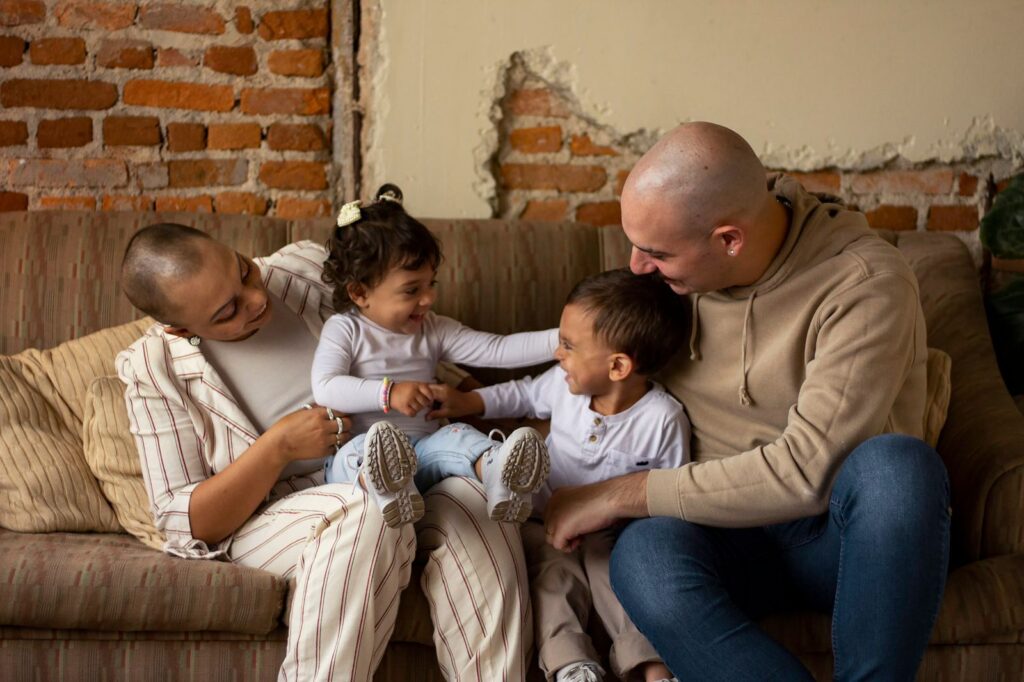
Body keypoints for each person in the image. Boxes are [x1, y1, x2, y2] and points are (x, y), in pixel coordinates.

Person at [542, 122, 951, 681]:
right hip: (721, 539)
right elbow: (585, 349)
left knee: (899, 469)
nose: (637, 268)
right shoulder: (672, 275)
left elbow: (811, 472)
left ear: (729, 239)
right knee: (643, 555)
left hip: (832, 538)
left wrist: (618, 493)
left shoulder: (864, 283)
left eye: (656, 252)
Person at [116, 218, 533, 680]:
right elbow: (185, 521)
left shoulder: (303, 268)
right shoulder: (153, 368)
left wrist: (512, 413)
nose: (257, 300)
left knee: (474, 499)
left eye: (243, 271)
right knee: (364, 507)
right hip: (280, 512)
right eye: (227, 312)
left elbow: (412, 346)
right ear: (180, 329)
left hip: (405, 457)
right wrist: (280, 446)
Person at [429, 268, 690, 682]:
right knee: (552, 579)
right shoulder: (563, 387)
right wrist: (467, 402)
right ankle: (572, 665)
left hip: (617, 534)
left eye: (568, 345)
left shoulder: (662, 419)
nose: (557, 354)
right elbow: (521, 393)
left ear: (618, 366)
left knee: (619, 581)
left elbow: (671, 495)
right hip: (544, 520)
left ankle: (654, 669)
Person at [312, 184, 554, 527]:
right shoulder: (345, 329)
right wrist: (389, 393)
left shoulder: (433, 328)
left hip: (424, 454)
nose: (428, 299)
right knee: (360, 450)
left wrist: (562, 339)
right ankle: (388, 491)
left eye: (431, 284)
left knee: (459, 438)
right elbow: (325, 386)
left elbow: (497, 349)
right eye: (412, 290)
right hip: (360, 455)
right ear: (360, 292)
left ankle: (501, 474)